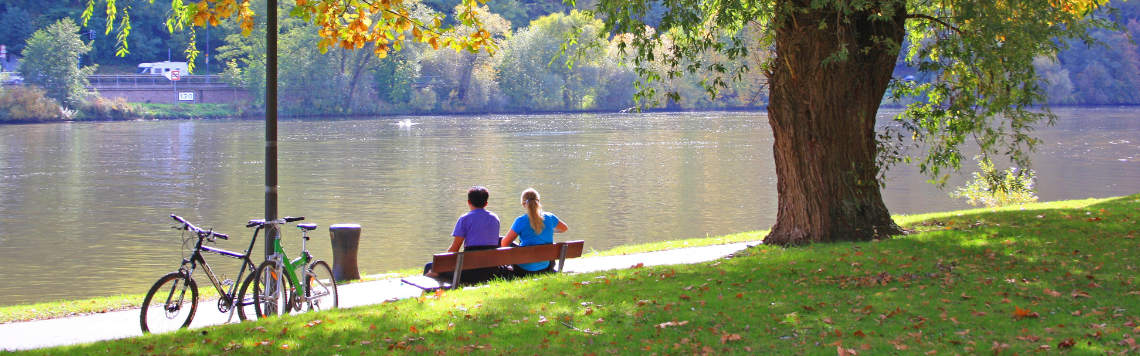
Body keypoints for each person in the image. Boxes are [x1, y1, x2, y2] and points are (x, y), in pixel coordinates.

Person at [424, 186, 501, 283]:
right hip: (491, 270)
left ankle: (429, 292)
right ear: (486, 203)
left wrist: (442, 264)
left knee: (429, 266)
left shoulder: (465, 219)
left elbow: (455, 248)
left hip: (468, 273)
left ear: (469, 202)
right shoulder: (494, 218)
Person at [500, 188, 569, 276]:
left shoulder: (520, 221)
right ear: (538, 201)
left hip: (523, 269)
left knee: (504, 240)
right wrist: (548, 230)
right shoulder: (550, 217)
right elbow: (564, 228)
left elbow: (504, 243)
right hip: (545, 267)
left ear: (523, 204)